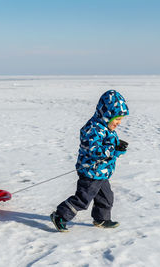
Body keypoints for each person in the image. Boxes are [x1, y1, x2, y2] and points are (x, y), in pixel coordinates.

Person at [50, 90, 129, 232]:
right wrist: (113, 150)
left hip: (101, 172)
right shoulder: (93, 129)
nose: (118, 123)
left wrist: (117, 147)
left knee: (106, 197)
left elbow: (108, 146)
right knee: (83, 199)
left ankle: (102, 218)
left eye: (120, 120)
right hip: (90, 171)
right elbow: (94, 150)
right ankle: (60, 216)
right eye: (116, 119)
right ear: (107, 115)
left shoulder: (106, 128)